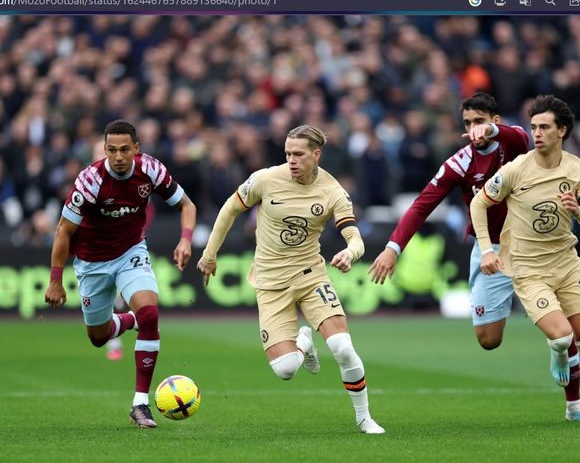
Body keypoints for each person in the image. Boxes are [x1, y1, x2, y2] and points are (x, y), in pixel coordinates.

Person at [196, 124, 384, 434]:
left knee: (342, 347)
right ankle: (304, 343)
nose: (291, 160)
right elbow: (230, 209)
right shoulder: (265, 179)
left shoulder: (333, 191)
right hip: (270, 283)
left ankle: (364, 418)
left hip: (311, 276)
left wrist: (350, 253)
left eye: (298, 154)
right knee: (285, 370)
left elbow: (356, 238)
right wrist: (210, 254)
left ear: (316, 154)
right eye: (287, 154)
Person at [44, 120, 197, 428]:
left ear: (136, 149)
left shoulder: (151, 170)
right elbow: (63, 231)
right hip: (91, 263)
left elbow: (187, 205)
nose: (118, 156)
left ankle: (140, 404)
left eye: (125, 149)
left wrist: (185, 239)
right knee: (98, 338)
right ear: (105, 150)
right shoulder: (89, 181)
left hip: (131, 252)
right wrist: (55, 280)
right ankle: (128, 319)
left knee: (150, 314)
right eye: (112, 150)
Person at [470, 95, 580, 424]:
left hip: (566, 263)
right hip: (528, 269)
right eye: (533, 127)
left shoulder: (577, 169)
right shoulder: (517, 169)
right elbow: (479, 203)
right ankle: (559, 353)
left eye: (544, 127)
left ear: (562, 131)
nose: (537, 133)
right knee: (562, 336)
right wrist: (487, 249)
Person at [368, 93, 529, 350]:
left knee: (554, 319)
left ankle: (562, 349)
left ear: (495, 120)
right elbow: (422, 206)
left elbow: (521, 138)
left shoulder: (511, 143)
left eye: (479, 120)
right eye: (467, 123)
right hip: (492, 250)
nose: (473, 128)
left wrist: (491, 130)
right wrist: (392, 248)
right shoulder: (460, 162)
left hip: (530, 242)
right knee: (488, 339)